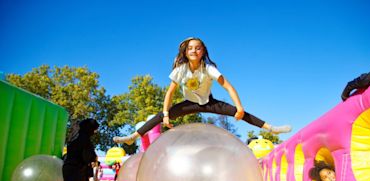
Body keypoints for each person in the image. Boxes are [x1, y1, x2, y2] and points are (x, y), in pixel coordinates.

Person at [113, 37, 292, 145]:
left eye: (197, 48)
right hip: (188, 104)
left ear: (202, 51)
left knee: (240, 113)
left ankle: (272, 128)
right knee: (160, 115)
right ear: (185, 51)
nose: (194, 50)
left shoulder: (209, 69)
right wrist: (166, 114)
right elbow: (170, 93)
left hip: (209, 103)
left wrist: (239, 107)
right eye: (190, 48)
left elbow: (228, 87)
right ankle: (133, 136)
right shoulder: (180, 70)